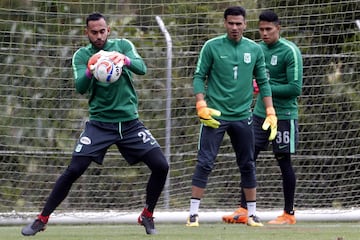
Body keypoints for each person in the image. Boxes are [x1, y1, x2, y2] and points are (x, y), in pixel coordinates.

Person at [21, 12, 169, 236]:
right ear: (87, 33)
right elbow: (80, 87)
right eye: (94, 32)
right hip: (99, 125)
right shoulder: (82, 56)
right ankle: (42, 219)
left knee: (161, 166)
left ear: (108, 30)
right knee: (74, 169)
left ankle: (147, 215)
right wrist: (92, 69)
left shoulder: (122, 45)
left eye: (102, 31)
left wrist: (124, 60)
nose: (99, 36)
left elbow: (142, 68)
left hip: (130, 124)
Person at [185, 6, 278, 228]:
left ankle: (252, 214)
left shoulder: (254, 49)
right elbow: (199, 76)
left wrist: (270, 111)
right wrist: (201, 104)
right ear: (225, 23)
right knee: (205, 162)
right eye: (231, 23)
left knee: (248, 163)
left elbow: (263, 82)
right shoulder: (212, 46)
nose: (235, 27)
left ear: (245, 25)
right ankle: (193, 213)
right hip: (215, 115)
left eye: (239, 24)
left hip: (242, 116)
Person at [222, 9, 303, 225]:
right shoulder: (256, 50)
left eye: (269, 29)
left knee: (284, 161)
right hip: (259, 115)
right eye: (261, 30)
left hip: (283, 116)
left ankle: (289, 214)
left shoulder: (289, 51)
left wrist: (265, 88)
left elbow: (295, 88)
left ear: (279, 29)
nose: (264, 33)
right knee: (248, 159)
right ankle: (243, 210)